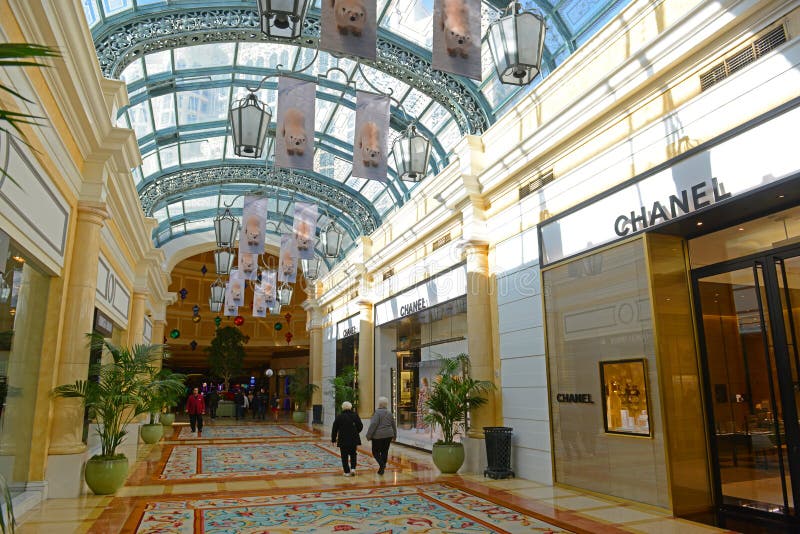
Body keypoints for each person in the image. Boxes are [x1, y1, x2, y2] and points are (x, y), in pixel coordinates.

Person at [331, 401, 363, 477]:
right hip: (353, 438)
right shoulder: (355, 415)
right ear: (350, 407)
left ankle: (347, 472)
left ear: (343, 407)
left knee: (344, 455)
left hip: (343, 439)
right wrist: (356, 432)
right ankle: (353, 468)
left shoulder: (339, 416)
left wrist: (333, 439)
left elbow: (334, 428)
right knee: (353, 454)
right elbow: (360, 426)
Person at [366, 396, 396, 475]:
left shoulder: (377, 413)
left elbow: (373, 424)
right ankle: (382, 467)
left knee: (375, 452)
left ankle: (382, 465)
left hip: (378, 436)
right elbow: (393, 425)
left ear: (379, 404)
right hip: (388, 435)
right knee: (384, 451)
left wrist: (368, 435)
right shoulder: (389, 413)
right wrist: (395, 435)